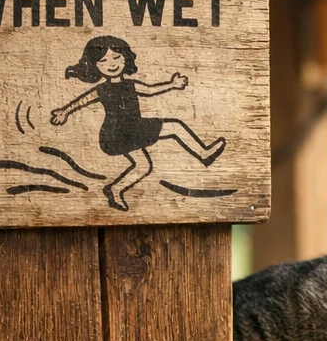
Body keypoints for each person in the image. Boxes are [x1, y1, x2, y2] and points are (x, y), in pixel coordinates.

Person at [52, 35, 225, 210]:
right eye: (103, 61)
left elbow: (150, 90)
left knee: (144, 165)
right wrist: (64, 111)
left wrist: (172, 84)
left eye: (116, 57)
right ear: (95, 66)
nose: (111, 64)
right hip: (115, 134)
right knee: (173, 128)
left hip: (134, 127)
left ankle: (115, 190)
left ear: (125, 58)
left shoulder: (131, 85)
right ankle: (203, 154)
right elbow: (82, 100)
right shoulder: (102, 89)